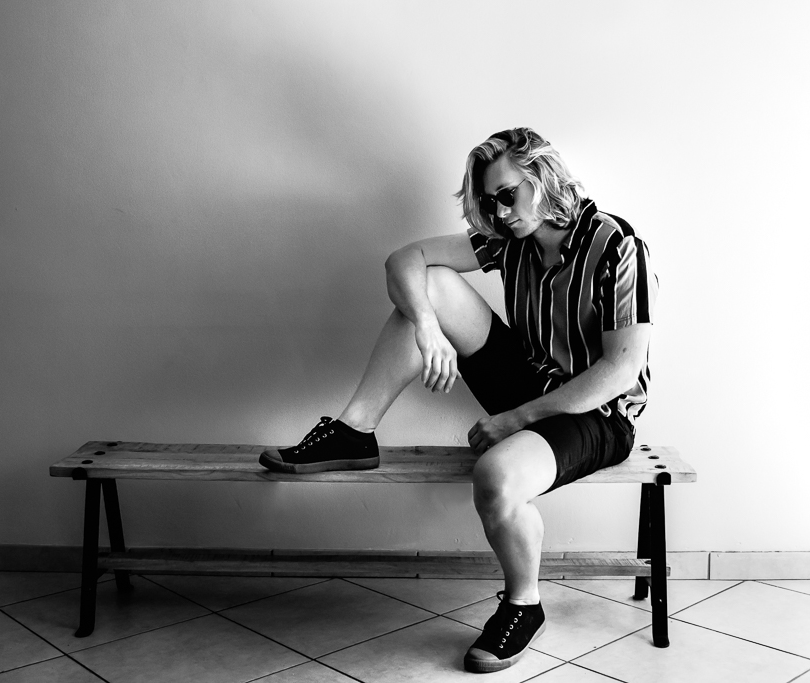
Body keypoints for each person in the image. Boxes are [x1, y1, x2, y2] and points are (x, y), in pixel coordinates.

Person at [259, 127, 658, 673]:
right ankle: (354, 431)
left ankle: (524, 604)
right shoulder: (510, 239)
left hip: (596, 413)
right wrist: (428, 327)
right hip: (530, 381)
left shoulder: (616, 245)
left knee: (494, 477)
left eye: (507, 195)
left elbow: (619, 371)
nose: (500, 213)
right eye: (490, 203)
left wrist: (516, 419)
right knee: (430, 286)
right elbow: (404, 259)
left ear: (543, 177)